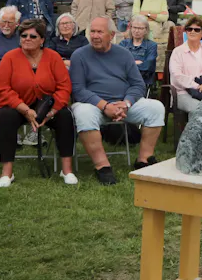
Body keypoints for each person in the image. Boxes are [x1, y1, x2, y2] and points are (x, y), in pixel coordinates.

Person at [69, 17, 166, 185]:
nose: (95, 36)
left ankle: (144, 159)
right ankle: (102, 166)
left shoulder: (124, 54)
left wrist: (126, 103)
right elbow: (78, 90)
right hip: (93, 105)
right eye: (92, 31)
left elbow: (138, 84)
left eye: (100, 32)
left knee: (156, 107)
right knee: (83, 114)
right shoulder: (79, 55)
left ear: (112, 35)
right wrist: (105, 106)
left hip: (123, 105)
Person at [0, 18, 77, 187]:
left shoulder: (53, 57)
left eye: (33, 36)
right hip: (16, 105)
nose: (27, 39)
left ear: (42, 40)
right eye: (24, 35)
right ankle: (7, 173)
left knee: (65, 116)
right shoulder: (10, 58)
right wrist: (25, 109)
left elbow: (64, 87)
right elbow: (1, 89)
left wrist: (51, 112)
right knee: (6, 116)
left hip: (47, 105)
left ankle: (67, 170)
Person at [169, 15, 202, 114]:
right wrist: (197, 86)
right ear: (186, 32)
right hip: (183, 93)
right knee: (201, 109)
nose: (192, 31)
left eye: (197, 30)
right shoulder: (177, 52)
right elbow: (176, 76)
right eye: (189, 29)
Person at [118, 14, 158, 87]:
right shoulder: (123, 44)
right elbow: (118, 64)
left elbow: (147, 67)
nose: (136, 31)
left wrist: (127, 64)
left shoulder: (152, 46)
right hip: (123, 81)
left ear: (146, 30)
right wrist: (135, 63)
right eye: (134, 27)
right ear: (131, 28)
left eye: (140, 28)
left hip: (141, 82)